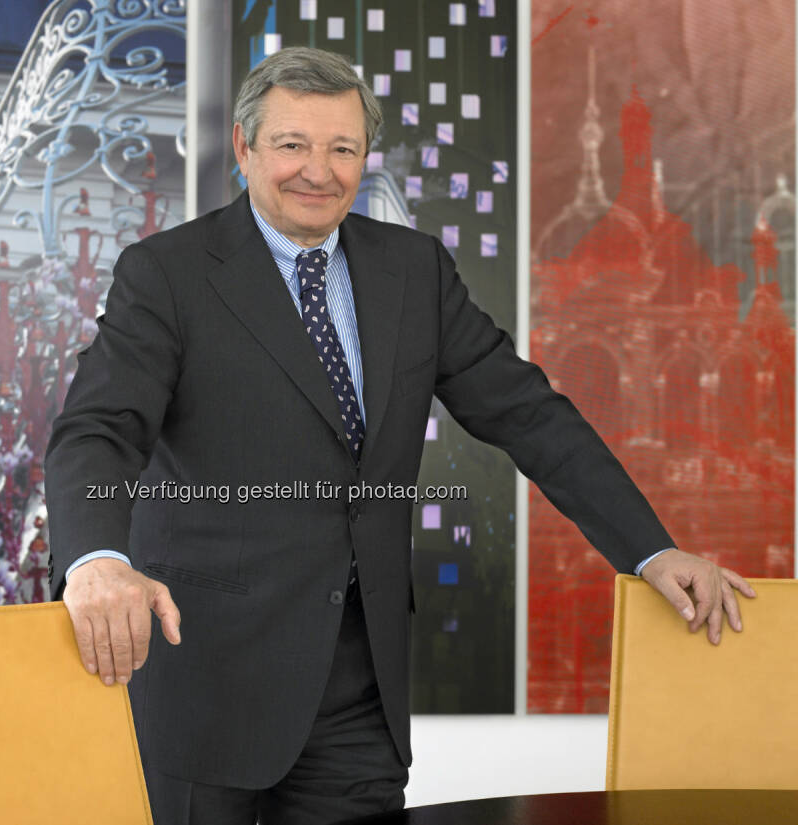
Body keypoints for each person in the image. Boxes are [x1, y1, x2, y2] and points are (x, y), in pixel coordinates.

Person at [44, 47, 755, 825]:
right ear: (245, 150)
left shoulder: (414, 272)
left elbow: (528, 412)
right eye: (293, 145)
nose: (318, 170)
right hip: (204, 684)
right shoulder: (167, 274)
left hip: (359, 691)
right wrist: (97, 558)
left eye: (342, 148)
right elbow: (97, 430)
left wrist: (651, 548)